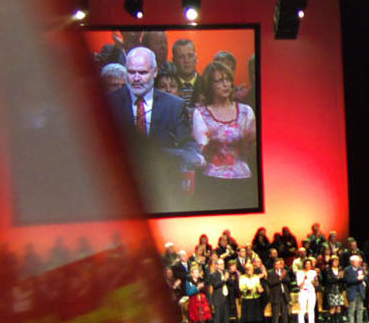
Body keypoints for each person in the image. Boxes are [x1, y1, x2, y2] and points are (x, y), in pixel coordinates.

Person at [105, 46, 201, 210]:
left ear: (155, 72)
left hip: (164, 193)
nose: (136, 78)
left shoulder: (174, 105)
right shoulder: (108, 103)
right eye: (131, 72)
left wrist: (193, 156)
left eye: (142, 73)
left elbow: (187, 144)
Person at [189, 59, 257, 211]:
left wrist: (247, 143)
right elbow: (203, 151)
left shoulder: (246, 111)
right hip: (213, 182)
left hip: (243, 180)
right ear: (210, 86)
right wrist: (213, 145)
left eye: (227, 79)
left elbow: (251, 149)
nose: (226, 84)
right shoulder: (201, 114)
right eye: (219, 81)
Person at [265, 257, 292, 323]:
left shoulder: (284, 272)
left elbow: (288, 281)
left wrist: (282, 277)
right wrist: (280, 278)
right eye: (276, 264)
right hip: (275, 296)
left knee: (285, 314)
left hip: (284, 296)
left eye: (279, 264)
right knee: (275, 315)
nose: (278, 266)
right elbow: (270, 283)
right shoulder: (271, 273)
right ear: (274, 265)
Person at [294, 257, 320, 323]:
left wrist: (315, 279)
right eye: (307, 264)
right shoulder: (300, 272)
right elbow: (300, 285)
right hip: (303, 292)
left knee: (311, 309)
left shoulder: (313, 272)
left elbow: (316, 284)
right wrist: (304, 278)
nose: (308, 266)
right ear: (304, 265)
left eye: (310, 264)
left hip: (311, 292)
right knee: (302, 309)